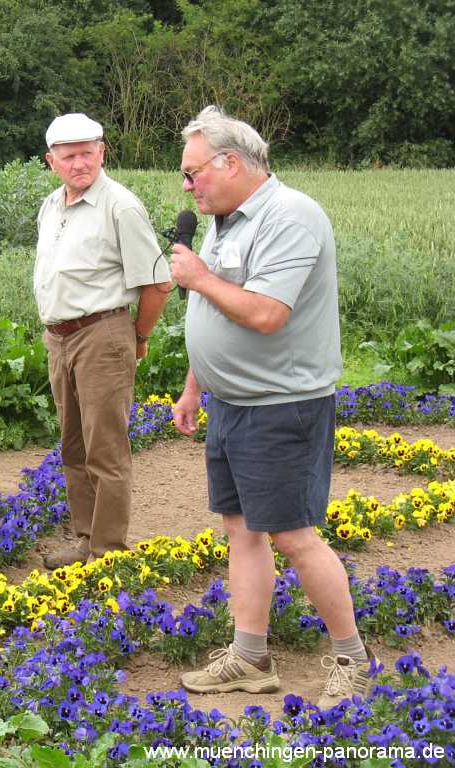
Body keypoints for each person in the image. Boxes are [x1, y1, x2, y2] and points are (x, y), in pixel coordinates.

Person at [170, 106, 371, 709]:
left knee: (293, 536)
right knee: (241, 531)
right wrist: (194, 384)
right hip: (231, 402)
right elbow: (214, 311)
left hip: (282, 404)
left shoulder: (291, 216)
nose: (187, 184)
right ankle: (250, 656)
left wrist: (200, 277)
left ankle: (353, 660)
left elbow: (263, 312)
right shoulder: (224, 219)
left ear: (231, 163)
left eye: (193, 171)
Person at [34, 113, 171, 569]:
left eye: (88, 153)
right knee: (73, 445)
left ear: (102, 153)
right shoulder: (52, 205)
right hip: (61, 337)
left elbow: (157, 283)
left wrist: (139, 337)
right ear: (51, 160)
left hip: (102, 333)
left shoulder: (120, 206)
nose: (79, 164)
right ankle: (86, 538)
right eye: (69, 156)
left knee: (105, 448)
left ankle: (108, 552)